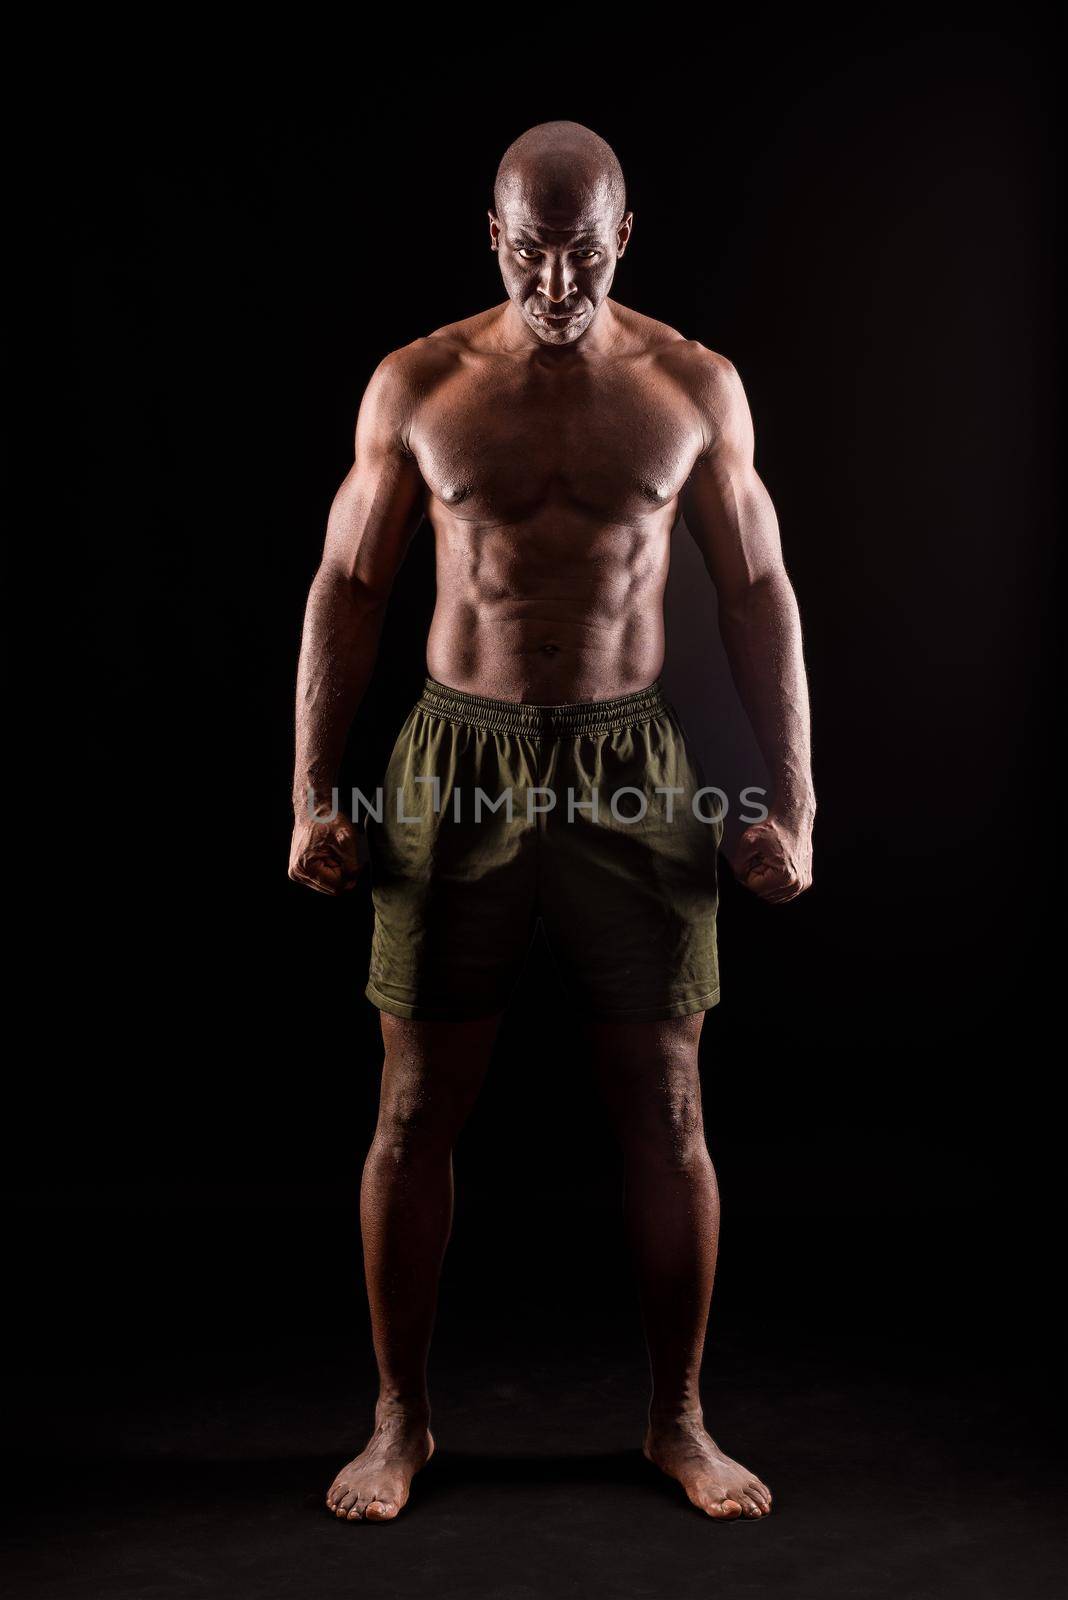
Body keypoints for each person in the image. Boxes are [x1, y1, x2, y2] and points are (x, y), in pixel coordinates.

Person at [289, 119, 815, 1524]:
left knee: (669, 1106)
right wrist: (311, 791)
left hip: (634, 762)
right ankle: (400, 1425)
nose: (560, 281)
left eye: (585, 252)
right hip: (452, 754)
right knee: (412, 1108)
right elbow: (350, 583)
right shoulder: (421, 383)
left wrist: (795, 802)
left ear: (624, 238)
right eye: (533, 250)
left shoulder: (694, 384)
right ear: (494, 237)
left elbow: (760, 586)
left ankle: (680, 1423)